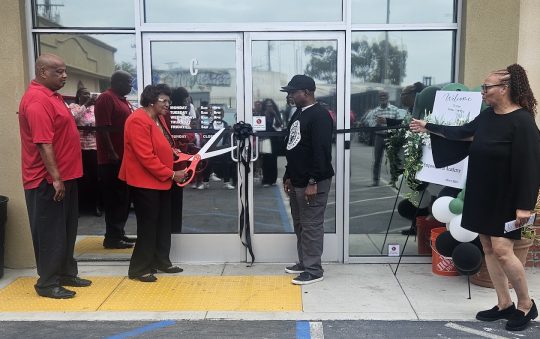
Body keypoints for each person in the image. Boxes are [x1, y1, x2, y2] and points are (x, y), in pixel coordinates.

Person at [410, 64, 540, 331]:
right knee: (489, 248)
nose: (482, 92)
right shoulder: (488, 116)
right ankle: (504, 304)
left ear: (504, 89)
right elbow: (462, 133)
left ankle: (526, 304)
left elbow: (530, 165)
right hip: (482, 194)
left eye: (486, 87)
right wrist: (427, 126)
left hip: (507, 197)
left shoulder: (523, 122)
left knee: (504, 251)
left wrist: (525, 206)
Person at [18, 54, 92, 299]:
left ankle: (66, 273)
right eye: (58, 72)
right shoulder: (38, 100)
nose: (64, 76)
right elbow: (43, 143)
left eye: (65, 71)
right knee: (51, 232)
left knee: (67, 230)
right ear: (41, 72)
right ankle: (47, 283)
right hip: (47, 180)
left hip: (65, 177)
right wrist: (56, 178)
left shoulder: (54, 97)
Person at [119, 84, 186, 282]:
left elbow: (164, 144)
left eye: (169, 101)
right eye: (163, 101)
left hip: (161, 180)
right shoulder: (137, 121)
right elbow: (145, 157)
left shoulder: (159, 119)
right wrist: (173, 174)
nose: (168, 104)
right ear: (150, 101)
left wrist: (175, 154)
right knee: (148, 226)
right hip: (145, 182)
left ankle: (161, 261)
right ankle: (139, 268)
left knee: (163, 223)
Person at [281, 75, 334, 285]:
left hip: (313, 180)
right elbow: (294, 146)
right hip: (297, 179)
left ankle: (314, 270)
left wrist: (313, 181)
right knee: (301, 223)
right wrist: (288, 175)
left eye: (293, 92)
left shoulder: (320, 116)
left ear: (307, 92)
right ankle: (304, 262)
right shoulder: (299, 114)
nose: (290, 95)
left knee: (311, 225)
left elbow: (321, 152)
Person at [95, 70, 135, 249]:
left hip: (125, 158)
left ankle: (119, 233)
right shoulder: (106, 98)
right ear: (117, 82)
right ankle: (111, 238)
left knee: (123, 198)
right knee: (114, 198)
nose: (131, 85)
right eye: (128, 82)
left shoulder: (123, 100)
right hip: (112, 160)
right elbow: (103, 128)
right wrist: (111, 153)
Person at [69, 87, 101, 216]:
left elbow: (99, 122)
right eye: (84, 94)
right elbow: (72, 119)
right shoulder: (73, 106)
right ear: (78, 96)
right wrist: (85, 105)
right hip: (79, 148)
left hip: (94, 147)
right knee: (80, 178)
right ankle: (80, 207)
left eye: (89, 93)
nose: (87, 95)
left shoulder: (95, 108)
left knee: (95, 178)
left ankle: (96, 205)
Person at [363, 91, 406, 186]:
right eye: (381, 96)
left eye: (384, 96)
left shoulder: (394, 110)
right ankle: (375, 181)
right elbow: (369, 123)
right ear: (379, 98)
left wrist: (386, 122)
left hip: (391, 137)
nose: (383, 98)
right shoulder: (375, 111)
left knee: (393, 160)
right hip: (378, 136)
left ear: (388, 97)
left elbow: (400, 123)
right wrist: (376, 123)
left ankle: (394, 180)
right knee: (377, 160)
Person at [261, 98, 283, 187]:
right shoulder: (262, 114)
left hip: (274, 139)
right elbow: (260, 126)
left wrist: (274, 114)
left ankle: (273, 179)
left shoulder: (276, 114)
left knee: (273, 159)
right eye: (267, 105)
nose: (269, 107)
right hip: (265, 139)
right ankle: (266, 179)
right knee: (266, 159)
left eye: (270, 105)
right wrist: (265, 116)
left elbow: (279, 124)